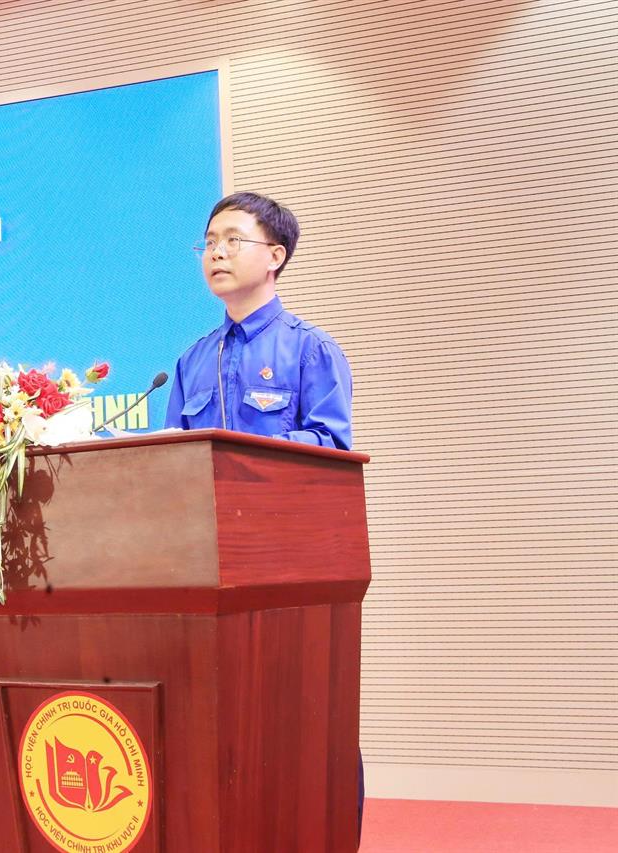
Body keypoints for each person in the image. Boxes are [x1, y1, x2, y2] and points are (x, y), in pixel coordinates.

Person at [163, 191, 364, 840]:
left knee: (305, 723)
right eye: (208, 242)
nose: (216, 253)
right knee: (218, 727)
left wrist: (239, 455)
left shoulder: (311, 350)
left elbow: (330, 449)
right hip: (204, 579)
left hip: (288, 579)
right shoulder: (191, 360)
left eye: (232, 239)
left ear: (274, 255)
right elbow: (170, 469)